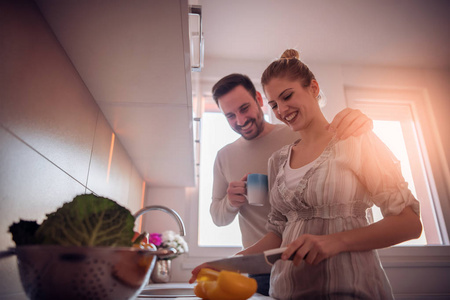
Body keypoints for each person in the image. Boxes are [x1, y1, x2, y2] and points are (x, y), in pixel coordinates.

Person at [208, 73, 373, 295]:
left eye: (244, 108)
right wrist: (230, 202)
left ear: (258, 98)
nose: (240, 120)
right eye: (230, 115)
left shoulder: (294, 134)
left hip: (313, 257)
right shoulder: (224, 157)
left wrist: (358, 122)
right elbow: (218, 218)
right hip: (261, 266)